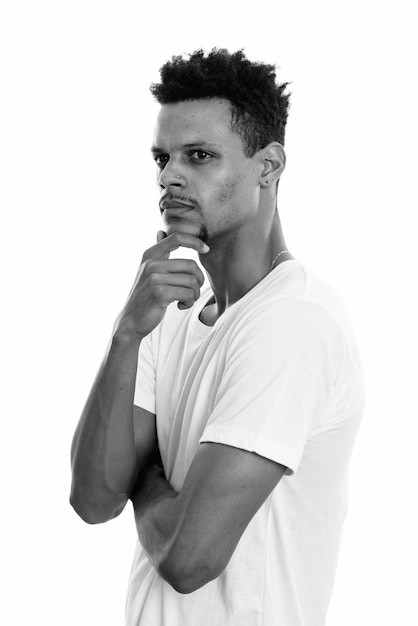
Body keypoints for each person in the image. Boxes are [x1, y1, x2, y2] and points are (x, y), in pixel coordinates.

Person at [70, 48, 365, 626]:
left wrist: (146, 481)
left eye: (199, 155)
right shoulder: (168, 310)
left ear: (269, 165)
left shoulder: (293, 322)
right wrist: (126, 334)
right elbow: (93, 498)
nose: (169, 176)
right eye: (162, 157)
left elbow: (188, 557)